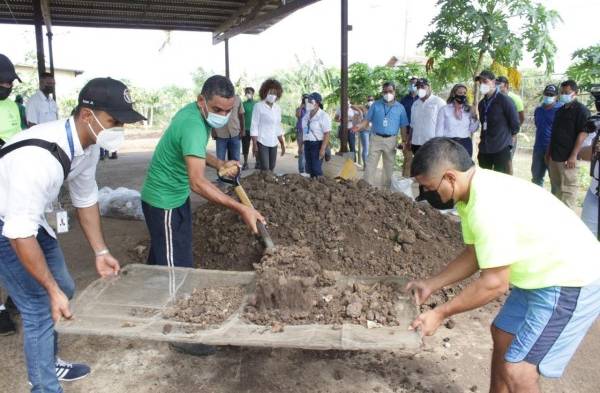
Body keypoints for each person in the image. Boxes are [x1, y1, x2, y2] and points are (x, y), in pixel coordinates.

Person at [408, 137, 600, 393]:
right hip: (541, 275)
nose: (429, 195)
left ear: (451, 177)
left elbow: (494, 285)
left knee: (518, 369)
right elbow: (476, 254)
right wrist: (431, 284)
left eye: (430, 189)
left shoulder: (486, 205)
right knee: (503, 333)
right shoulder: (472, 193)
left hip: (569, 279)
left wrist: (440, 313)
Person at [0, 77, 145, 392]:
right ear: (86, 116)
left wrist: (101, 252)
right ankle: (44, 385)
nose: (118, 128)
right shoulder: (37, 160)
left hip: (32, 217)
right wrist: (49, 289)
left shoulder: (88, 146)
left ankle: (48, 362)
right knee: (40, 302)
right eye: (114, 121)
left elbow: (86, 198)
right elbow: (18, 234)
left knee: (64, 285)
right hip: (6, 224)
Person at [0, 53, 22, 336]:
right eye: (2, 81)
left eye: (10, 82)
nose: (7, 85)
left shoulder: (13, 107)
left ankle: (13, 297)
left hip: (12, 184)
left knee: (16, 245)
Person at [352, 82, 409, 189]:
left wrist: (404, 141)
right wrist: (359, 126)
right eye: (385, 91)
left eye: (390, 91)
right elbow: (366, 120)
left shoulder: (400, 108)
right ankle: (366, 188)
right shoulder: (375, 105)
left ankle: (386, 190)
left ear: (394, 92)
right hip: (375, 138)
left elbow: (403, 126)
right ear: (382, 92)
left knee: (389, 167)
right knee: (370, 164)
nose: (388, 93)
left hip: (391, 140)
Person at [547, 80, 592, 210]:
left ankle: (567, 222)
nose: (563, 95)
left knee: (568, 190)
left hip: (569, 159)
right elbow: (554, 133)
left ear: (575, 93)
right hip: (555, 156)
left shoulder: (582, 111)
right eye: (562, 92)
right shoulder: (559, 111)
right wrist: (548, 152)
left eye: (566, 92)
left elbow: (583, 133)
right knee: (555, 189)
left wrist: (573, 155)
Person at [475, 70, 520, 174]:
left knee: (501, 181)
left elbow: (515, 124)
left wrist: (509, 142)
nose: (482, 85)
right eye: (480, 82)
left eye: (485, 81)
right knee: (485, 180)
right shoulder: (482, 104)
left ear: (494, 82)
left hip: (501, 148)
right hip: (485, 149)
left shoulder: (505, 100)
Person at [250, 78, 286, 172]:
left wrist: (282, 143)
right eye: (270, 92)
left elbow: (278, 127)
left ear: (278, 95)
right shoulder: (258, 106)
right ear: (265, 92)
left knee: (272, 166)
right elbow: (254, 126)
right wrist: (254, 144)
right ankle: (262, 184)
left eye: (275, 93)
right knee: (265, 167)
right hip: (262, 141)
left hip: (273, 141)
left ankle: (270, 186)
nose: (272, 95)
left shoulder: (277, 108)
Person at [435, 83, 479, 157]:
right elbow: (439, 131)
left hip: (465, 143)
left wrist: (474, 116)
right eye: (460, 93)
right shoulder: (444, 110)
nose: (462, 95)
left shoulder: (468, 110)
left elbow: (473, 129)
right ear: (453, 94)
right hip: (449, 144)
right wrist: (439, 146)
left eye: (464, 93)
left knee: (465, 168)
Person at [531, 84, 562, 189]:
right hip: (539, 148)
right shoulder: (538, 110)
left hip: (553, 150)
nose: (548, 96)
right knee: (536, 178)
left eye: (551, 94)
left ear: (556, 96)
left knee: (555, 180)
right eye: (547, 94)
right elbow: (538, 125)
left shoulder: (561, 110)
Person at [497, 76, 525, 175]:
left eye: (500, 85)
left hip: (510, 135)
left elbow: (521, 117)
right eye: (496, 84)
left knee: (507, 161)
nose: (498, 87)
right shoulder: (494, 98)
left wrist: (513, 133)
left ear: (506, 86)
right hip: (498, 136)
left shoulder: (515, 98)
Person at [409, 78, 446, 154]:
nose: (420, 89)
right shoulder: (415, 104)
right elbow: (412, 125)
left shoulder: (439, 102)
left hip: (432, 144)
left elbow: (446, 125)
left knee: (432, 166)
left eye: (422, 86)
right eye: (418, 87)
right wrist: (410, 140)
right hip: (416, 143)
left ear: (429, 87)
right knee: (417, 165)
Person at [301, 92, 331, 178]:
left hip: (317, 144)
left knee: (316, 168)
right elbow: (305, 131)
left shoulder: (323, 116)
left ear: (317, 103)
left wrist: (322, 149)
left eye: (311, 101)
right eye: (308, 101)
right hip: (307, 143)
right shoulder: (306, 115)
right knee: (309, 168)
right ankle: (313, 186)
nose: (309, 103)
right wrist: (302, 144)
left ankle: (321, 186)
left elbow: (327, 133)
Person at [213, 93, 244, 162]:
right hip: (220, 134)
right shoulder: (216, 98)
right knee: (220, 160)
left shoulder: (237, 98)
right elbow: (213, 115)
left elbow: (241, 115)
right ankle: (221, 173)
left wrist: (243, 130)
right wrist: (213, 131)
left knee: (235, 160)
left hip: (235, 134)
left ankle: (236, 173)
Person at [400, 77, 419, 177]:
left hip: (419, 133)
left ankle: (416, 182)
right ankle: (405, 182)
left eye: (415, 84)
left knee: (420, 159)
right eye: (411, 84)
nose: (413, 86)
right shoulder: (403, 100)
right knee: (408, 158)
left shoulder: (422, 99)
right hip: (406, 132)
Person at [241, 87, 256, 170]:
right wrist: (241, 129)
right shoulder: (243, 104)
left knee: (257, 146)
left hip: (255, 129)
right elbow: (241, 117)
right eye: (246, 92)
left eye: (249, 92)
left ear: (253, 93)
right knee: (245, 147)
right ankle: (245, 163)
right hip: (246, 129)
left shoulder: (257, 104)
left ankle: (257, 162)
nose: (248, 94)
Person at [294, 93, 309, 174]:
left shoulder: (310, 108)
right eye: (304, 98)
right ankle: (301, 170)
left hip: (307, 131)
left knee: (307, 150)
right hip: (300, 131)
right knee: (301, 150)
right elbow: (298, 115)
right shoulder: (300, 109)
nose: (306, 100)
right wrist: (301, 106)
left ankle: (307, 169)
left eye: (307, 98)